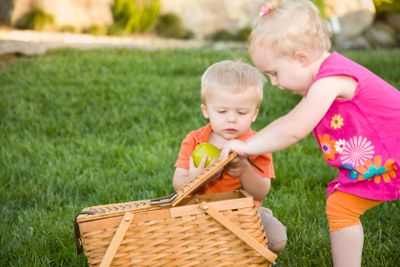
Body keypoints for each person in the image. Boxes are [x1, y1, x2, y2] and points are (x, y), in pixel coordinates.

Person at [221, 1, 400, 266]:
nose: (274, 82)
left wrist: (248, 146)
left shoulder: (331, 80)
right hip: (388, 156)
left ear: (301, 58)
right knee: (341, 205)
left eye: (274, 73)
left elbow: (293, 128)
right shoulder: (327, 77)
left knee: (341, 206)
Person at [172, 60, 287, 254]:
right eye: (222, 111)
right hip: (203, 211)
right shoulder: (194, 140)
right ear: (206, 111)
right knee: (180, 243)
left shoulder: (258, 143)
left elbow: (261, 192)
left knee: (276, 240)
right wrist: (198, 176)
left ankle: (258, 221)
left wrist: (244, 170)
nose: (231, 119)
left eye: (242, 112)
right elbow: (178, 186)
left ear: (254, 114)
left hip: (245, 212)